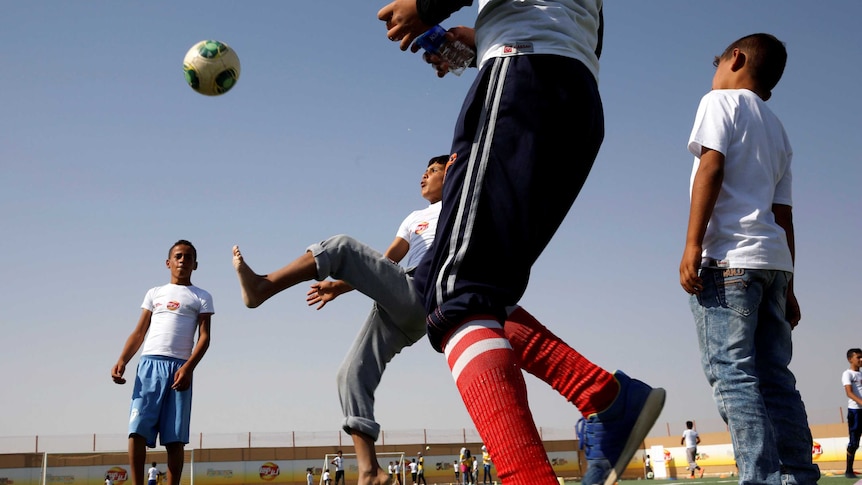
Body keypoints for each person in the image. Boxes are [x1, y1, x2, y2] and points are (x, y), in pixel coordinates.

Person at [376, 2, 665, 485]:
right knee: (464, 290)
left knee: (458, 294)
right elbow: (579, 28)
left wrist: (424, 7)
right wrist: (481, 38)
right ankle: (608, 399)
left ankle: (531, 471)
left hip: (522, 75)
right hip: (573, 92)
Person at [232, 155, 447, 485]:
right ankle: (370, 471)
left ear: (453, 173)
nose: (424, 175)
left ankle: (263, 286)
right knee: (350, 374)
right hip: (401, 298)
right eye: (424, 170)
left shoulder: (459, 206)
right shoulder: (414, 218)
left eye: (433, 171)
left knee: (342, 246)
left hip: (424, 291)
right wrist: (338, 287)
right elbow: (387, 260)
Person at [679, 33, 820, 484]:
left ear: (735, 59)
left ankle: (757, 477)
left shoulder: (719, 102)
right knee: (775, 377)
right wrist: (790, 286)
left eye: (716, 62)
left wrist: (691, 244)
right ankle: (798, 474)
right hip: (773, 264)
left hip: (729, 262)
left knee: (733, 375)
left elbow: (711, 167)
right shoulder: (777, 128)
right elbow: (783, 214)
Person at [111, 240, 213, 485]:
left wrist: (188, 368)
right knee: (137, 429)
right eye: (178, 256)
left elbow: (205, 338)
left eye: (188, 257)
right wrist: (123, 359)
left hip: (180, 369)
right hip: (149, 366)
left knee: (175, 437)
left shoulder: (201, 296)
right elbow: (139, 332)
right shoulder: (154, 293)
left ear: (195, 265)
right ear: (168, 262)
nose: (182, 260)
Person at [843, 348, 862, 478]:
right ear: (850, 359)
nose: (861, 360)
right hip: (855, 411)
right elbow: (849, 392)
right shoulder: (847, 374)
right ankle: (849, 469)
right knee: (854, 442)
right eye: (858, 357)